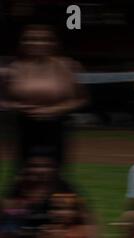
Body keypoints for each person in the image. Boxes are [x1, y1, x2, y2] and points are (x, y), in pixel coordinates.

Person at [2, 24, 87, 170]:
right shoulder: (11, 69)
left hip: (56, 128)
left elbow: (81, 99)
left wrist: (55, 109)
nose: (36, 43)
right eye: (29, 39)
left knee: (55, 171)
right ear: (22, 43)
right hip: (23, 128)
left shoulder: (68, 66)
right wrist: (20, 107)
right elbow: (4, 101)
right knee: (24, 172)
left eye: (43, 39)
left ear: (53, 43)